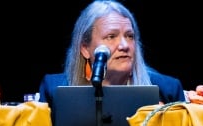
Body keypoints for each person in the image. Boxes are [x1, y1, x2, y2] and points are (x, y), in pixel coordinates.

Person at [38, 0, 185, 107]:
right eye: (111, 36)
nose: (124, 45)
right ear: (85, 48)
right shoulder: (54, 90)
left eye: (130, 36)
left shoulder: (168, 90)